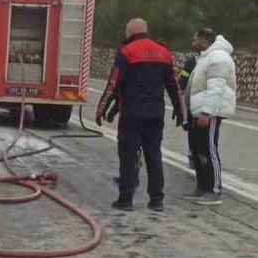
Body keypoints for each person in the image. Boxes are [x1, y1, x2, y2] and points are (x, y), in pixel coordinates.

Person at [96, 18, 184, 211]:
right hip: (155, 113)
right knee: (154, 154)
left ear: (130, 32)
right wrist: (180, 110)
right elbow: (174, 85)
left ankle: (126, 199)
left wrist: (102, 109)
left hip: (132, 113)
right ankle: (156, 200)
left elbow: (115, 84)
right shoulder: (164, 52)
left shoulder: (127, 51)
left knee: (128, 155)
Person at [184, 28, 237, 205]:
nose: (193, 43)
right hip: (198, 112)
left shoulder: (218, 58)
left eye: (195, 39)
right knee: (199, 151)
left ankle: (214, 189)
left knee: (209, 149)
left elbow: (216, 88)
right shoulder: (206, 57)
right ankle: (202, 186)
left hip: (209, 113)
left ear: (204, 40)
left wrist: (207, 112)